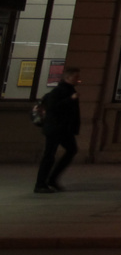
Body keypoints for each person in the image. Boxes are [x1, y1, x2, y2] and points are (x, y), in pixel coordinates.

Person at [35, 66, 82, 194]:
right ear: (67, 77)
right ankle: (41, 184)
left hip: (62, 129)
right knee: (49, 155)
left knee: (71, 150)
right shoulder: (59, 91)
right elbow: (53, 108)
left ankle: (51, 180)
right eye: (75, 77)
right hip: (55, 128)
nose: (78, 80)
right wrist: (70, 99)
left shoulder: (69, 90)